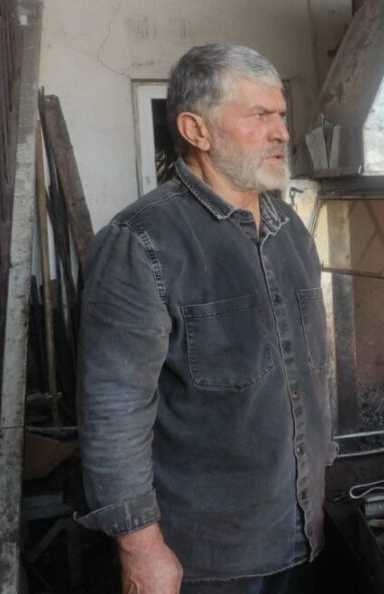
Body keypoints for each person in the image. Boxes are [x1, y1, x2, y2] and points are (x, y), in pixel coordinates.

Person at [76, 44, 334, 593]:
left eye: (281, 115)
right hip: (207, 560)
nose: (281, 132)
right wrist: (141, 549)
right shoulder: (141, 242)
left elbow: (311, 372)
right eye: (259, 116)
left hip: (301, 533)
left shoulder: (290, 228)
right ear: (197, 130)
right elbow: (112, 411)